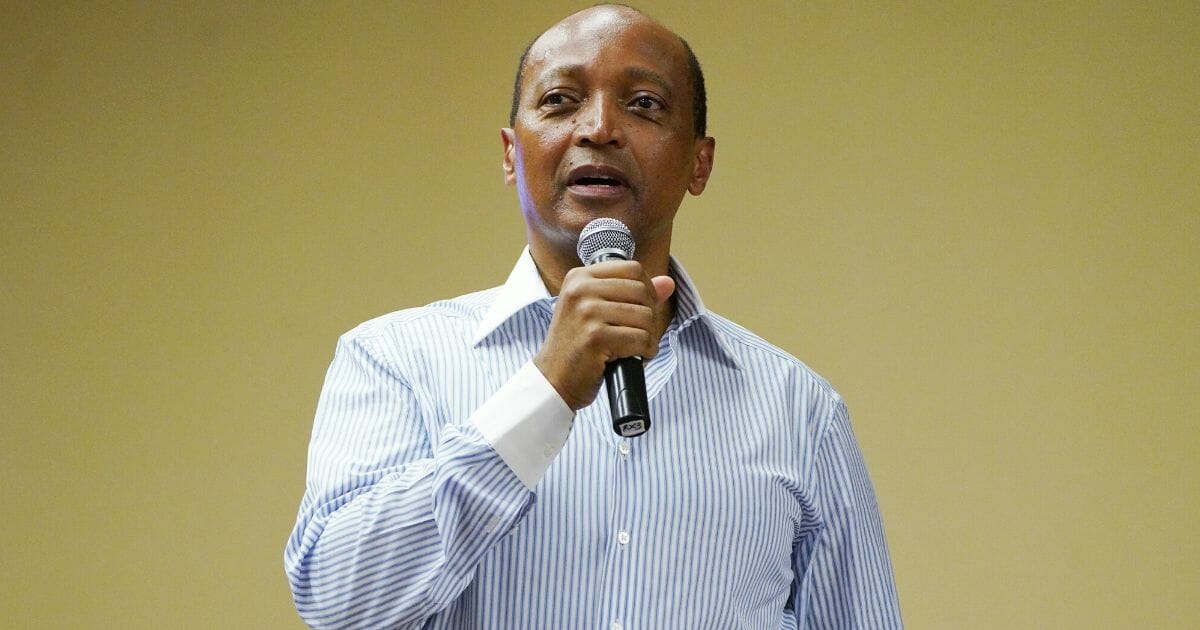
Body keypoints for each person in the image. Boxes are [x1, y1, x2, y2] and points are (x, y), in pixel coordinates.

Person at [285, 5, 901, 629]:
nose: (600, 128)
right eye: (560, 100)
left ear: (699, 162)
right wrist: (546, 389)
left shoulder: (799, 409)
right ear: (510, 154)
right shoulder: (394, 360)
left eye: (644, 105)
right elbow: (339, 604)